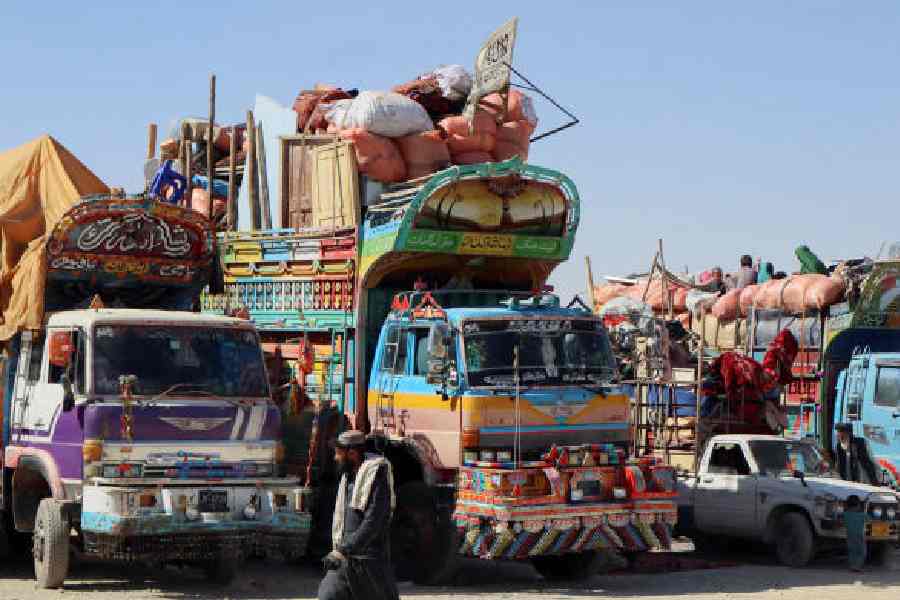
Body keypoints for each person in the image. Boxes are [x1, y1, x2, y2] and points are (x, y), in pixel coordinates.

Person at [318, 430, 399, 600]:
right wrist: (341, 551)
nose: (335, 458)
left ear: (352, 453)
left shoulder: (376, 475)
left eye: (338, 454)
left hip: (369, 562)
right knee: (328, 595)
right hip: (345, 560)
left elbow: (372, 522)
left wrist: (343, 550)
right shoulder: (348, 476)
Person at [843, 494, 867, 572]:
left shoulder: (845, 514)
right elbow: (870, 520)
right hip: (859, 536)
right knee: (861, 551)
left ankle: (852, 565)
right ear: (858, 505)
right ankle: (857, 566)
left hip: (849, 535)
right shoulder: (862, 515)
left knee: (852, 551)